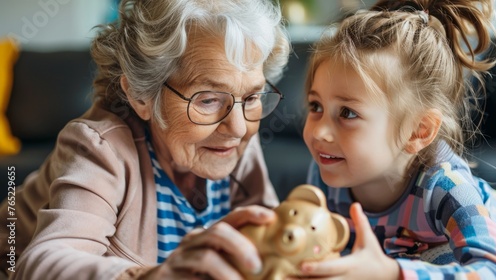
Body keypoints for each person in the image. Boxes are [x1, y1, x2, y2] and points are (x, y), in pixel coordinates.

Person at [0, 0, 290, 279]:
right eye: (208, 99)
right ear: (141, 95)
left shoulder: (232, 139)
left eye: (251, 97)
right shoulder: (99, 147)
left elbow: (271, 241)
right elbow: (40, 265)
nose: (238, 128)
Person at [299, 0, 496, 279]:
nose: (319, 132)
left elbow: (491, 270)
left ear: (418, 131)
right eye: (316, 106)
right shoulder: (325, 172)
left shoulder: (445, 189)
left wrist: (393, 272)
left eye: (347, 113)